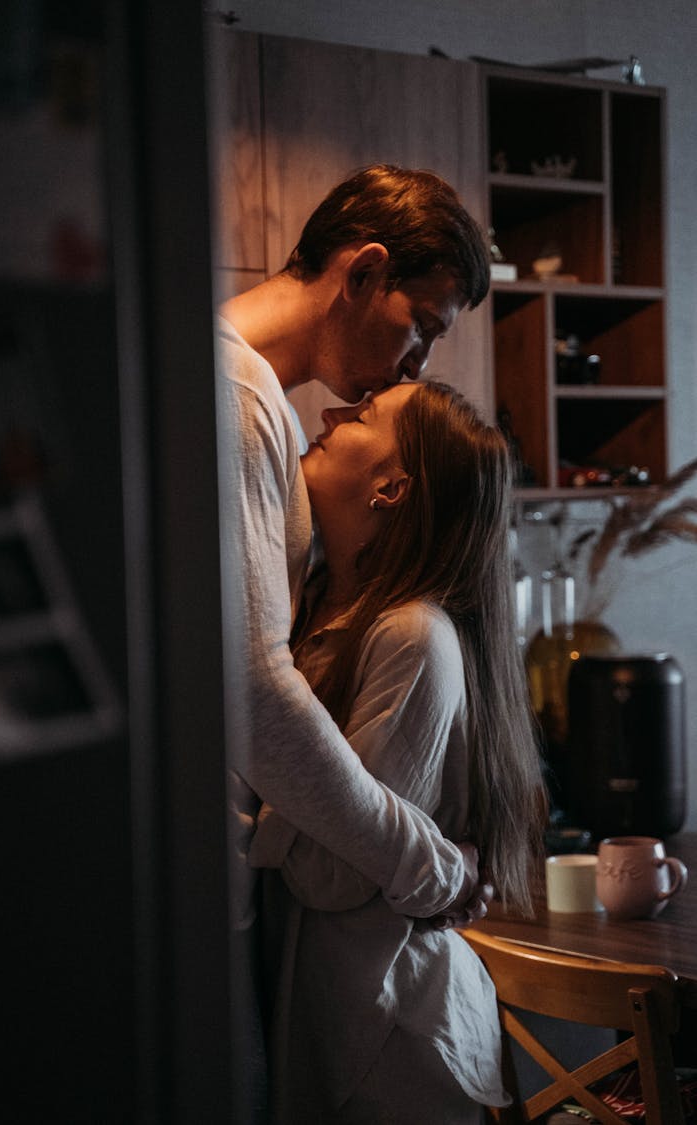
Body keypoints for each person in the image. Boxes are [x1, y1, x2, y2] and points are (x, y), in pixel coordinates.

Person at [216, 164, 492, 1114]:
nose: (417, 361)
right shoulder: (239, 397)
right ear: (365, 272)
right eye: (426, 323)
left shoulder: (257, 404)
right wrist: (430, 863)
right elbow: (253, 688)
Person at [249, 380, 546, 1123]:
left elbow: (329, 874)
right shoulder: (317, 610)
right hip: (344, 1031)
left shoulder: (412, 636)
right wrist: (436, 860)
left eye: (366, 415)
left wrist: (263, 802)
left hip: (394, 1041)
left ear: (390, 486)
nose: (331, 414)